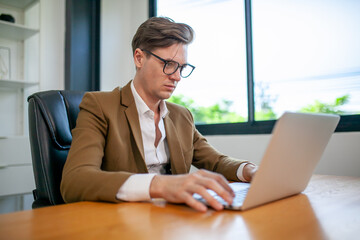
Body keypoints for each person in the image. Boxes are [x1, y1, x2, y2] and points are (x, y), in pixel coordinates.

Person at [60, 17, 257, 212]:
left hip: (171, 218)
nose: (177, 76)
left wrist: (248, 170)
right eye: (169, 64)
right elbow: (75, 180)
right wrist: (160, 185)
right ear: (139, 58)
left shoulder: (182, 116)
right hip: (121, 221)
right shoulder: (99, 106)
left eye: (182, 68)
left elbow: (216, 161)